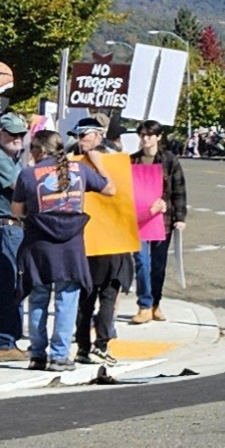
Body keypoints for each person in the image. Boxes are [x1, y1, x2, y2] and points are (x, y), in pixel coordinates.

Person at [12, 131, 104, 370]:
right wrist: (99, 165)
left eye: (33, 148)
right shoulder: (80, 170)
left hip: (38, 244)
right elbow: (110, 188)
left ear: (40, 150)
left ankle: (37, 355)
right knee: (67, 299)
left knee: (38, 298)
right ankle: (60, 356)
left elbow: (17, 211)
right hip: (71, 245)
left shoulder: (27, 174)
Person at [74, 116, 140, 362]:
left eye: (84, 135)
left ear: (98, 135)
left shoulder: (113, 160)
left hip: (113, 239)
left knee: (105, 297)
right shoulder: (76, 162)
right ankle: (88, 346)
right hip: (89, 241)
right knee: (89, 299)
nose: (79, 140)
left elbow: (123, 193)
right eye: (78, 136)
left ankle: (97, 344)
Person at [0, 112, 33, 362]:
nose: (18, 138)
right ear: (0, 134)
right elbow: (20, 188)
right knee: (9, 286)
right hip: (6, 228)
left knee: (3, 285)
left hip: (9, 228)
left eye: (21, 134)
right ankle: (3, 342)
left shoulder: (12, 158)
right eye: (12, 134)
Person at [133, 125, 182, 317]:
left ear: (159, 137)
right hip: (139, 220)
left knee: (158, 265)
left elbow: (179, 190)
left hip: (163, 220)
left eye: (150, 135)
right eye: (142, 135)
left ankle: (155, 303)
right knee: (142, 262)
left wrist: (180, 217)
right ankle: (144, 304)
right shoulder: (132, 160)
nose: (145, 139)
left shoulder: (169, 160)